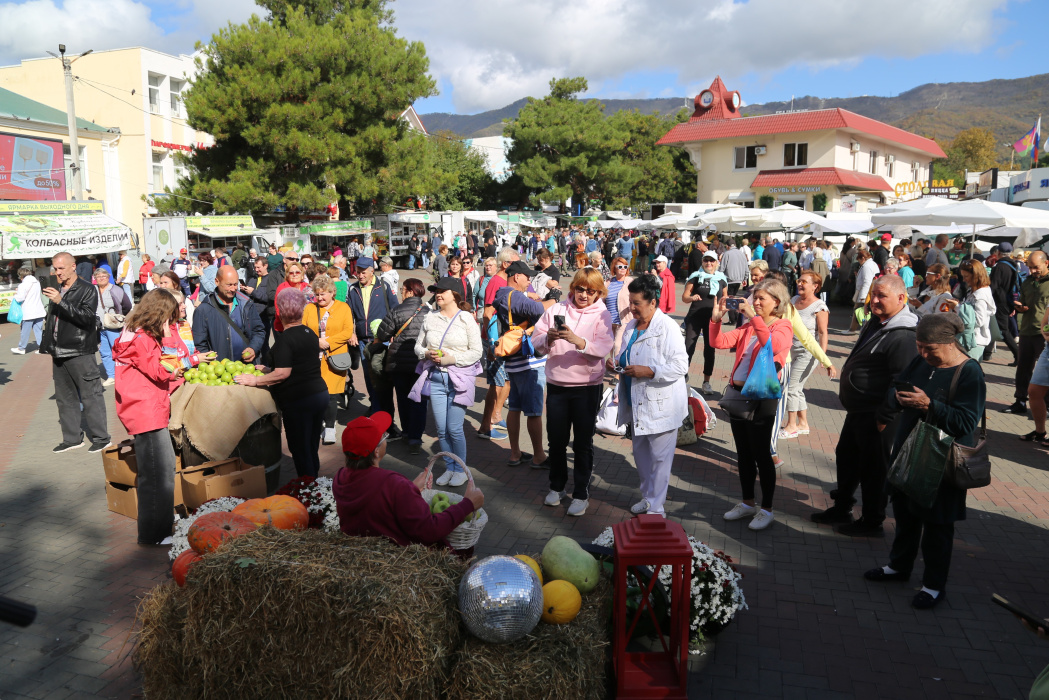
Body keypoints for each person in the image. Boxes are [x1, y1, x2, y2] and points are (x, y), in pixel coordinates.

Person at [863, 313, 985, 610]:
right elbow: (898, 386)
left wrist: (930, 405)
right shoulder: (922, 361)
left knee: (937, 526)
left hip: (942, 462)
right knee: (904, 514)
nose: (923, 354)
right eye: (920, 346)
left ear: (950, 343)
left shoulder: (969, 372)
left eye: (930, 348)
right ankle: (898, 566)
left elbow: (966, 421)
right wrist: (896, 399)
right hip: (909, 451)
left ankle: (933, 586)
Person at [812, 276, 918, 536]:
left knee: (873, 468)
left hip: (878, 413)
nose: (875, 301)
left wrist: (885, 415)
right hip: (860, 410)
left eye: (882, 296)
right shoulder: (877, 322)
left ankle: (872, 520)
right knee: (847, 457)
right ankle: (842, 506)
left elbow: (902, 381)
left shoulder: (903, 334)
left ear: (901, 299)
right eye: (873, 295)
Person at [113, 290, 210, 545]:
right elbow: (163, 372)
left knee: (157, 472)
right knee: (158, 474)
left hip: (144, 406)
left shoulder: (135, 333)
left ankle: (159, 524)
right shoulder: (142, 338)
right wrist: (167, 338)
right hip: (145, 410)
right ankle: (155, 534)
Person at [710, 279, 794, 530]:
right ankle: (747, 503)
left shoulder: (783, 325)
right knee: (744, 453)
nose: (755, 303)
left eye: (761, 299)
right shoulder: (748, 327)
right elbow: (718, 342)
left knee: (761, 454)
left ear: (777, 302)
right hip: (738, 394)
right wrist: (715, 320)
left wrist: (753, 318)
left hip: (762, 397)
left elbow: (774, 344)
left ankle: (766, 509)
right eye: (754, 298)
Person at [332, 411, 484, 550]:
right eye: (384, 436)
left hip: (360, 552)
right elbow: (430, 531)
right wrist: (467, 504)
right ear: (376, 450)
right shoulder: (392, 483)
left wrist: (410, 489)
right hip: (397, 560)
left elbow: (375, 507)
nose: (386, 438)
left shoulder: (341, 477)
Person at [532, 268, 613, 517]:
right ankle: (557, 487)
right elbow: (535, 344)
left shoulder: (602, 314)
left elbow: (603, 347)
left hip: (587, 388)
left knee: (582, 444)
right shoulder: (555, 310)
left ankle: (581, 493)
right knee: (556, 440)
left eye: (591, 291)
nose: (584, 295)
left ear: (598, 292)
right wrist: (549, 339)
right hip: (557, 385)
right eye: (580, 289)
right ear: (573, 288)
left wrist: (578, 341)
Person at [608, 274, 688, 517]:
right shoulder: (632, 326)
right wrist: (617, 364)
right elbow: (626, 354)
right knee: (642, 457)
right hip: (636, 401)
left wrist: (651, 371)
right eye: (630, 302)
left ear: (653, 302)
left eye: (637, 304)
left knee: (660, 460)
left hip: (661, 404)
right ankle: (647, 497)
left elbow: (681, 365)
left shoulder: (668, 327)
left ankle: (657, 507)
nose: (631, 308)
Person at [236, 288, 329, 477]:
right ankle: (317, 486)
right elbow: (297, 365)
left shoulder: (285, 338)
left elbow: (284, 373)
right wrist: (268, 370)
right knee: (311, 446)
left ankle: (309, 490)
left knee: (301, 449)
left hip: (299, 401)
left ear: (280, 311)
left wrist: (255, 380)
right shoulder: (308, 332)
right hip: (318, 395)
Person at [412, 277, 483, 485]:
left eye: (443, 291)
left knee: (454, 428)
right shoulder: (430, 317)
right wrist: (427, 354)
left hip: (459, 379)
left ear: (456, 295)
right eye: (437, 291)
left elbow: (477, 352)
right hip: (435, 378)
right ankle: (450, 468)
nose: (438, 294)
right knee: (441, 430)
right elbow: (418, 347)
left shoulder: (466, 319)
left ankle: (461, 469)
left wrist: (452, 359)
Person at [40, 252, 111, 453]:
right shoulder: (57, 288)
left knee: (91, 396)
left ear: (73, 267)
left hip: (80, 350)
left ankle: (101, 438)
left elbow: (87, 320)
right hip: (58, 350)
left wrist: (61, 301)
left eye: (61, 268)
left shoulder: (87, 289)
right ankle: (72, 438)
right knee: (65, 398)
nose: (57, 272)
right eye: (55, 268)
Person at [492, 260, 557, 467]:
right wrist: (554, 299)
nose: (529, 280)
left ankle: (515, 453)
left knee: (515, 408)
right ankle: (539, 456)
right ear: (516, 276)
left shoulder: (503, 294)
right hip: (528, 360)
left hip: (513, 359)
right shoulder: (514, 295)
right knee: (534, 412)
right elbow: (538, 310)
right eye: (527, 276)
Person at [375, 278, 430, 455]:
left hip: (399, 363)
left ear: (410, 291)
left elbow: (382, 333)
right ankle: (415, 437)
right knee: (419, 401)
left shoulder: (397, 310)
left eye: (402, 289)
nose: (401, 292)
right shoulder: (429, 312)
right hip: (420, 363)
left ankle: (406, 431)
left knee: (404, 399)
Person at [302, 274, 355, 445]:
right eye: (317, 294)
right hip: (312, 358)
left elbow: (347, 332)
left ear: (332, 292)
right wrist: (315, 341)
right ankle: (319, 424)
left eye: (323, 294)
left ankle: (330, 427)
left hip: (334, 358)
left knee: (331, 396)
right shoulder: (309, 308)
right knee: (315, 395)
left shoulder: (343, 307)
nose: (320, 297)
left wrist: (328, 342)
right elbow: (303, 330)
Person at [478, 247, 521, 441]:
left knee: (506, 380)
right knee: (496, 384)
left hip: (506, 339)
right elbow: (488, 313)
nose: (519, 267)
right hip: (497, 341)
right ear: (505, 264)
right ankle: (485, 426)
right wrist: (490, 343)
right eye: (515, 263)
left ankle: (495, 416)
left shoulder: (506, 281)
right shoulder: (496, 281)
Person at [781, 271, 831, 437]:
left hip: (808, 353)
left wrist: (822, 357)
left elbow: (823, 333)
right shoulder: (794, 300)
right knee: (798, 388)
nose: (799, 284)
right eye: (799, 281)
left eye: (804, 282)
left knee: (791, 387)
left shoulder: (819, 307)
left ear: (815, 286)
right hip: (791, 350)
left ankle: (791, 426)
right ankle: (803, 424)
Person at [347, 257, 399, 414]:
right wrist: (351, 332)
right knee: (369, 377)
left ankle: (383, 411)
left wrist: (392, 333)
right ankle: (376, 407)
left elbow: (394, 310)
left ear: (371, 271)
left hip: (381, 340)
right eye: (357, 272)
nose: (360, 276)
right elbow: (348, 314)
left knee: (381, 376)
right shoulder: (353, 289)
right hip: (363, 340)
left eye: (363, 272)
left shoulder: (383, 286)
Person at [1001, 251, 1049, 415]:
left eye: (1036, 267)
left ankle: (1046, 406)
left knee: (1046, 371)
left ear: (1046, 264)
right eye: (1030, 267)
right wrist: (1019, 306)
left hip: (1044, 335)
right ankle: (1020, 401)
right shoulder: (1027, 282)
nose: (1032, 271)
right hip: (1027, 330)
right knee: (1023, 368)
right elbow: (1023, 300)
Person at [192, 265, 265, 362]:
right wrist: (212, 364)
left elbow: (258, 331)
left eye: (235, 284)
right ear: (217, 282)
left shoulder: (246, 304)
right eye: (229, 285)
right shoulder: (203, 310)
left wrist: (253, 348)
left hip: (247, 369)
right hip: (219, 371)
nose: (233, 289)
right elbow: (200, 344)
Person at [682, 251, 727, 395]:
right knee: (688, 347)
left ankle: (706, 382)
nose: (709, 263)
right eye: (706, 260)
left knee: (710, 349)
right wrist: (692, 298)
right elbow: (684, 297)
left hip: (712, 319)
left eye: (712, 261)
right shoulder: (695, 277)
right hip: (695, 317)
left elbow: (725, 299)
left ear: (716, 263)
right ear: (702, 262)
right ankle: (683, 376)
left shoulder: (722, 279)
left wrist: (723, 309)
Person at [946, 259, 994, 361]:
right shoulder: (976, 291)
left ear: (976, 275)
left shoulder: (980, 295)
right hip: (973, 339)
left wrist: (957, 307)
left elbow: (978, 321)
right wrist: (959, 305)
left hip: (974, 341)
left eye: (966, 276)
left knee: (967, 372)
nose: (964, 279)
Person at [93, 269, 133, 386]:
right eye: (98, 276)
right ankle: (111, 376)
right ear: (95, 278)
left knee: (118, 350)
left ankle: (124, 374)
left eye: (104, 276)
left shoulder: (116, 289)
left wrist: (118, 317)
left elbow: (127, 305)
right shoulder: (93, 290)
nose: (101, 278)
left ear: (108, 277)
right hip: (99, 326)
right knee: (104, 351)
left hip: (113, 326)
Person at [988, 241, 1021, 363]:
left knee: (1003, 330)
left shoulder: (999, 266)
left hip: (999, 302)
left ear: (998, 252)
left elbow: (994, 286)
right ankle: (987, 353)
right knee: (993, 327)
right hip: (1008, 300)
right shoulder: (1013, 265)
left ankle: (1018, 355)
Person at [243, 257, 279, 362]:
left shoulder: (270, 280)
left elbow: (269, 297)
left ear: (265, 266)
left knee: (263, 343)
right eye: (255, 267)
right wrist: (244, 290)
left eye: (258, 267)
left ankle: (266, 365)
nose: (256, 270)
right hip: (250, 315)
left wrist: (253, 292)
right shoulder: (253, 279)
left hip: (263, 315)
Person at [12, 268, 45, 354]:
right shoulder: (37, 282)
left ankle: (21, 348)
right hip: (39, 310)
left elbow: (20, 298)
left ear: (21, 276)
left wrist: (15, 295)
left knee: (25, 331)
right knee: (39, 330)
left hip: (28, 311)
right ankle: (41, 347)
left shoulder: (22, 285)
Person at [273, 262, 311, 334]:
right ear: (287, 275)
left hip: (305, 326)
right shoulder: (282, 288)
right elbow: (279, 310)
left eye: (297, 272)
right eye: (291, 273)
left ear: (302, 274)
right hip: (284, 327)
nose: (294, 274)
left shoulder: (307, 287)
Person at [606, 256, 634, 335]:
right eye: (620, 267)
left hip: (624, 322)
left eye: (625, 267)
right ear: (614, 268)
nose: (623, 269)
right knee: (608, 346)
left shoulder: (631, 282)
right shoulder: (608, 282)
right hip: (608, 322)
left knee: (617, 346)